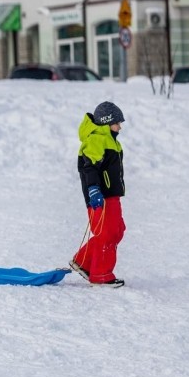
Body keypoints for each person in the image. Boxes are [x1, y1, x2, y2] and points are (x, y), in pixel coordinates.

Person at [70, 101, 125, 287]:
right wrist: (93, 189)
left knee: (117, 231)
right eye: (117, 123)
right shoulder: (96, 139)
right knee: (106, 233)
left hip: (112, 195)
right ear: (107, 122)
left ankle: (83, 261)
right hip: (100, 196)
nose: (120, 127)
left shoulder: (111, 140)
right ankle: (101, 275)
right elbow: (89, 167)